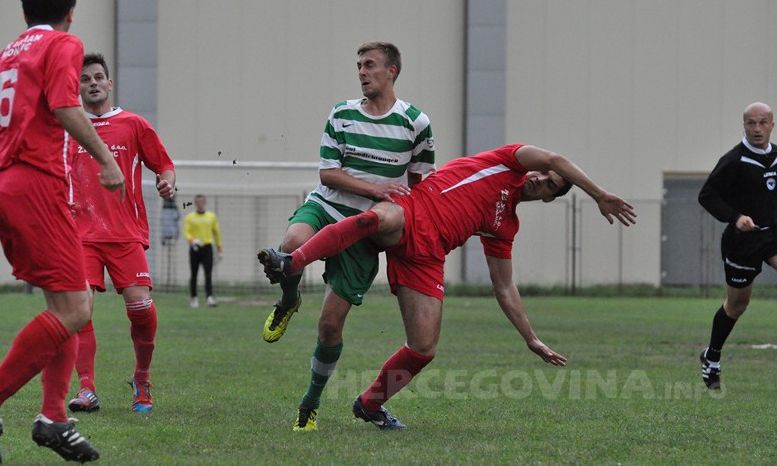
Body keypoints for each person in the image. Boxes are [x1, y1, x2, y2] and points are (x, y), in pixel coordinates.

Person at [259, 143, 636, 429]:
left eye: (549, 186)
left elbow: (504, 287)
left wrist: (531, 338)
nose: (540, 179)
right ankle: (293, 262)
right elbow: (553, 159)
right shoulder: (507, 163)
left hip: (426, 257)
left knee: (424, 347)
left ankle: (370, 405)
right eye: (543, 174)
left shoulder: (506, 225)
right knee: (379, 218)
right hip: (413, 211)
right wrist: (598, 193)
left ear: (550, 198)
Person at [0, 0, 125, 463]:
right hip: (36, 183)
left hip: (1, 184)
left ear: (24, 12)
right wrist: (107, 160)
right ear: (68, 13)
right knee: (77, 311)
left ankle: (55, 417)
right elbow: (65, 106)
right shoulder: (63, 45)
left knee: (67, 305)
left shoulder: (4, 58)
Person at [260, 42, 435, 431]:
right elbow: (328, 174)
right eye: (358, 65)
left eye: (369, 65)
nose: (361, 71)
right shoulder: (342, 113)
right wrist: (376, 191)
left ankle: (310, 405)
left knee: (329, 326)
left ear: (392, 71)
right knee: (291, 245)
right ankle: (289, 300)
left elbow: (421, 188)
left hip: (364, 233)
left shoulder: (416, 123)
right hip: (328, 207)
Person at [66, 53, 176, 414]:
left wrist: (166, 183)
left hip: (125, 234)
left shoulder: (132, 124)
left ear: (110, 84)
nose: (93, 83)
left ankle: (142, 378)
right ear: (77, 87)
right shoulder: (66, 127)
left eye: (98, 77)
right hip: (80, 235)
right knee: (79, 311)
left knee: (141, 309)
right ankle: (87, 389)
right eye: (85, 79)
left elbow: (164, 163)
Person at [697, 101, 777, 390]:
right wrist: (736, 217)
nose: (757, 129)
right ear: (744, 125)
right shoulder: (734, 161)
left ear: (772, 125)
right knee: (737, 305)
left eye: (763, 123)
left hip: (773, 236)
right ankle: (712, 356)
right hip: (743, 242)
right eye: (751, 123)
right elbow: (707, 196)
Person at [183, 194, 223, 308]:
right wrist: (192, 240)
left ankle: (209, 297)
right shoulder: (190, 217)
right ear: (195, 203)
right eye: (198, 202)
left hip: (207, 247)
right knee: (194, 274)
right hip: (195, 248)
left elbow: (217, 232)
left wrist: (220, 248)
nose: (200, 204)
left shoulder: (211, 216)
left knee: (208, 273)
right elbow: (186, 232)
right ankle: (194, 297)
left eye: (202, 202)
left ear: (204, 203)